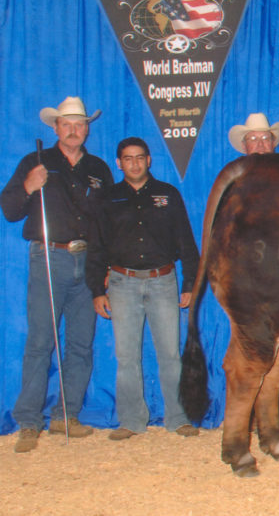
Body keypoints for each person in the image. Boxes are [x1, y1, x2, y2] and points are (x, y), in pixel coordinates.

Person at [0, 96, 113, 453]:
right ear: (56, 128)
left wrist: (106, 265)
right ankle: (30, 421)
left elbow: (108, 222)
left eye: (80, 124)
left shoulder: (98, 168)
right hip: (49, 257)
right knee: (40, 342)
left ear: (87, 129)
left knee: (81, 342)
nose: (74, 130)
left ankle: (67, 414)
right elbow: (8, 209)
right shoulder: (35, 162)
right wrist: (29, 187)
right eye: (67, 124)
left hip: (88, 261)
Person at [86, 137, 201, 440]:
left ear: (149, 160)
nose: (134, 163)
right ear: (119, 163)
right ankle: (132, 420)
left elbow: (186, 242)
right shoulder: (107, 198)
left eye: (140, 157)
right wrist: (97, 289)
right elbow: (96, 247)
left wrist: (190, 282)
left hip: (163, 280)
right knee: (126, 357)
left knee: (170, 355)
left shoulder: (168, 194)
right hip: (122, 283)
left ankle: (178, 418)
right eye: (128, 158)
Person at [227, 113, 279, 431]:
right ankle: (245, 411)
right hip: (248, 277)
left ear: (273, 144)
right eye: (254, 140)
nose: (260, 145)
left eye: (265, 140)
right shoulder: (233, 182)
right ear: (245, 146)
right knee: (248, 345)